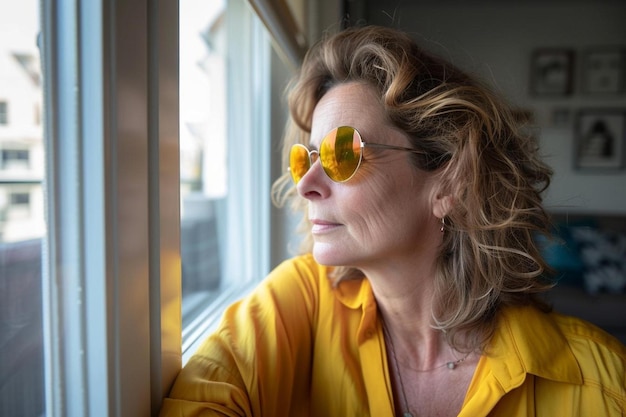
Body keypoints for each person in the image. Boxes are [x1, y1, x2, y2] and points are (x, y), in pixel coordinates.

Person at [160, 25, 626, 416]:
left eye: (344, 153)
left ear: (450, 183)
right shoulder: (301, 301)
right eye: (305, 160)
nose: (306, 186)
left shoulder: (599, 386)